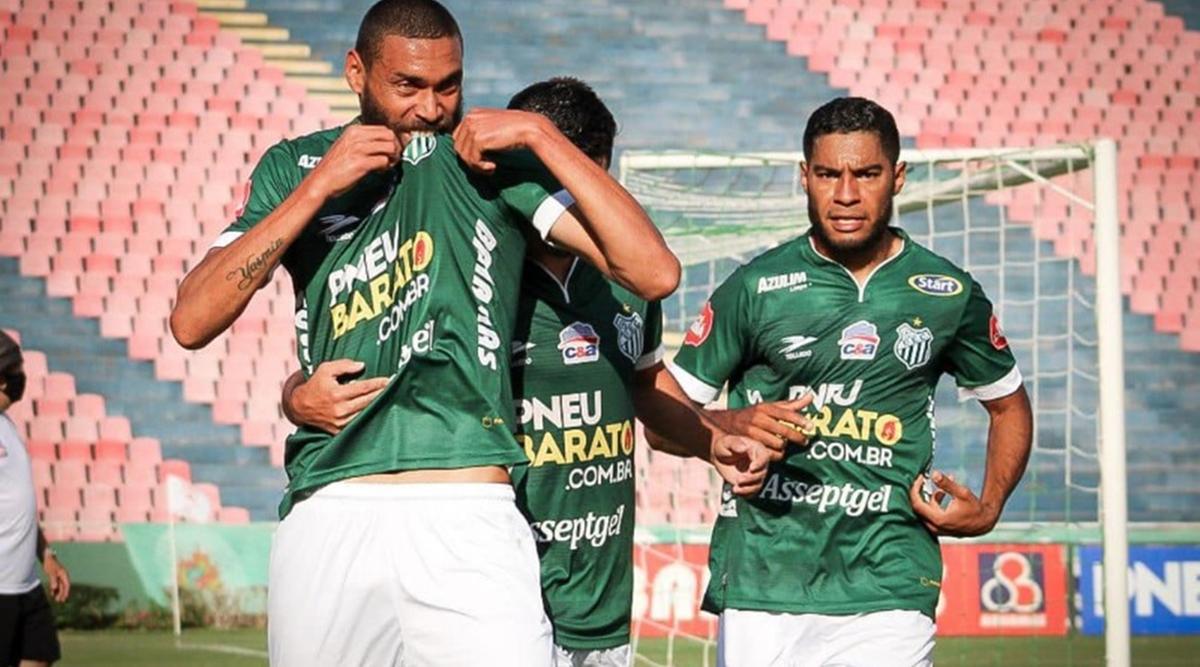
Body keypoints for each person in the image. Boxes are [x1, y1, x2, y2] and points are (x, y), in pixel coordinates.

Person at [168, 1, 681, 664]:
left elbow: (654, 272)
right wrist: (318, 188)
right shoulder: (295, 166)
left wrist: (539, 135)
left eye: (448, 86)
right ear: (357, 73)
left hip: (468, 507)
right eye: (407, 86)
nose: (430, 109)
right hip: (332, 502)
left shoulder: (489, 165)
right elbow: (191, 321)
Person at [283, 77, 773, 667]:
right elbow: (373, 365)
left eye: (586, 172)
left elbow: (645, 385)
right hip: (490, 587)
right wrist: (294, 395)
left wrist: (712, 439)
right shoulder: (475, 264)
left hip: (598, 604)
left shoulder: (623, 281)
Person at [652, 97, 1034, 666]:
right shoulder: (754, 288)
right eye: (829, 174)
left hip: (890, 578)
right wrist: (730, 423)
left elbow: (1008, 406)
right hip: (764, 578)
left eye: (867, 174)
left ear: (897, 177)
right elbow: (661, 422)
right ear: (804, 177)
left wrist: (989, 505)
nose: (847, 194)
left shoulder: (948, 293)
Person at [0, 331, 71, 667]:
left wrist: (47, 556)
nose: (20, 378)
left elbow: (19, 507)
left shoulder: (8, 427)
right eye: (15, 370)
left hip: (25, 585)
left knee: (39, 657)